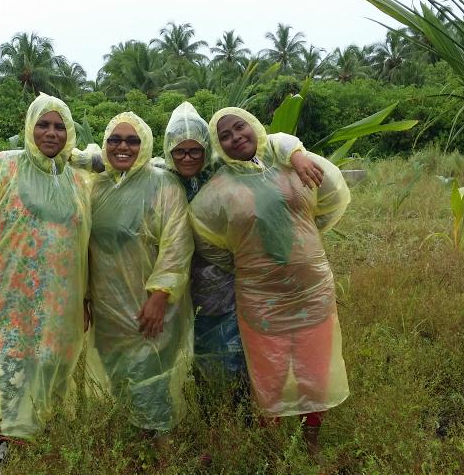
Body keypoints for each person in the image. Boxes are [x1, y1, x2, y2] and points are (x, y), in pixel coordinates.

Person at [188, 106, 351, 453]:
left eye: (239, 127)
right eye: (225, 136)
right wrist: (244, 263)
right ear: (219, 146)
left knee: (314, 370)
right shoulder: (218, 190)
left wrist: (308, 237)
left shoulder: (289, 161)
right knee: (269, 374)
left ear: (254, 127)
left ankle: (311, 443)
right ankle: (273, 448)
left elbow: (333, 193)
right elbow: (205, 237)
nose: (235, 138)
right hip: (260, 297)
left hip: (311, 289)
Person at [0, 93, 90, 475]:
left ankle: (29, 473)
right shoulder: (4, 167)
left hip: (58, 307)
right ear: (29, 128)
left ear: (69, 132)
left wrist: (85, 296)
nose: (51, 132)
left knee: (46, 381)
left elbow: (86, 242)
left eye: (59, 126)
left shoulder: (75, 179)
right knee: (5, 381)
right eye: (43, 125)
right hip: (8, 301)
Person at [161, 102, 325, 424]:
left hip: (238, 287)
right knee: (203, 357)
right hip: (187, 288)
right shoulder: (162, 178)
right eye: (179, 151)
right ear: (168, 151)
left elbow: (274, 142)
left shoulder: (224, 173)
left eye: (196, 150)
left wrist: (240, 261)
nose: (188, 158)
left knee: (244, 358)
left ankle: (245, 421)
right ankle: (213, 422)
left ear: (209, 149)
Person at [85, 112, 193, 444]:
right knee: (120, 377)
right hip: (107, 307)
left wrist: (160, 296)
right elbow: (83, 248)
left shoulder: (162, 183)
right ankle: (135, 444)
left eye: (132, 140)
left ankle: (162, 451)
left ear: (144, 144)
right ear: (105, 144)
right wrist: (86, 298)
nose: (123, 147)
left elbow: (177, 243)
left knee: (151, 377)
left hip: (149, 305)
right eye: (114, 140)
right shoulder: (95, 187)